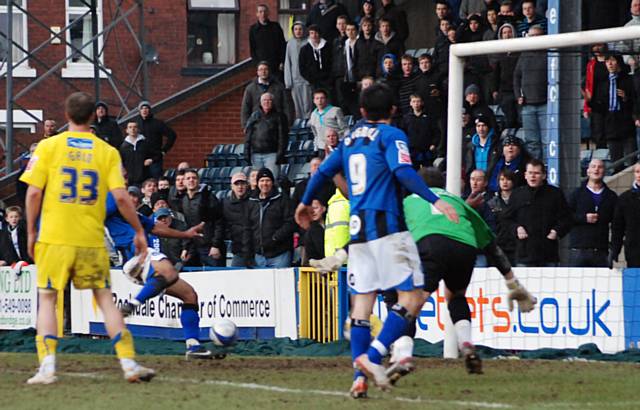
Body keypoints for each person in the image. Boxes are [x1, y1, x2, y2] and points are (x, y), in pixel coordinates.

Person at [294, 83, 459, 397]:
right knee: (412, 298)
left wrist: (304, 202)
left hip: (358, 234)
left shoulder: (349, 138)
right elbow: (404, 172)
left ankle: (358, 378)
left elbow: (323, 172)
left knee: (362, 305)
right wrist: (434, 201)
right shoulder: (392, 135)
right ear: (394, 111)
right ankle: (371, 358)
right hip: (388, 227)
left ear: (363, 112)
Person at [20, 91, 153, 384]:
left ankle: (47, 367)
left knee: (47, 299)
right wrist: (140, 231)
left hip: (54, 237)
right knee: (105, 300)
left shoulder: (48, 146)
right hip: (91, 240)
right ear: (93, 116)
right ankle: (129, 362)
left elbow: (33, 192)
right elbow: (120, 197)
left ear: (66, 116)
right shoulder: (107, 152)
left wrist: (30, 231)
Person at [388, 167, 535, 380]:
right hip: (465, 248)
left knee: (410, 302)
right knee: (455, 295)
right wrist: (512, 281)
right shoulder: (456, 202)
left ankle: (402, 354)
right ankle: (466, 344)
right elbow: (491, 246)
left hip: (431, 244)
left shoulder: (410, 200)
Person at [105, 192, 210, 359]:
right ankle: (133, 304)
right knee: (169, 271)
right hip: (136, 255)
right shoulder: (109, 199)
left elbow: (154, 227)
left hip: (141, 260)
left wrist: (186, 234)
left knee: (189, 295)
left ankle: (193, 345)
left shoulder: (132, 212)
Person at [504, 159, 573, 267]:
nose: (533, 176)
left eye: (536, 173)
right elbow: (507, 219)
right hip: (524, 254)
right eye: (530, 173)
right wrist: (516, 228)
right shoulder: (517, 194)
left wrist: (556, 231)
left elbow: (567, 218)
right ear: (525, 175)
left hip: (548, 253)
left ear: (544, 175)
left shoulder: (555, 194)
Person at [587, 52, 637, 166]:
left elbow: (635, 101)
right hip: (611, 126)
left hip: (626, 124)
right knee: (616, 162)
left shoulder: (628, 80)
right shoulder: (603, 83)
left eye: (612, 60)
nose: (609, 63)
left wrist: (625, 98)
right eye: (607, 61)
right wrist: (589, 101)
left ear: (618, 62)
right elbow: (600, 108)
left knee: (631, 161)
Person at [568, 159, 618, 267]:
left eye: (600, 167)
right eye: (593, 166)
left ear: (604, 171)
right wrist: (583, 218)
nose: (596, 169)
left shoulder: (611, 196)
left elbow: (617, 223)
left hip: (601, 251)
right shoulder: (576, 194)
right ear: (588, 171)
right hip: (578, 251)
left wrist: (614, 248)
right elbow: (565, 217)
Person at [248, 168, 295, 268]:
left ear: (272, 182)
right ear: (257, 183)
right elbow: (248, 226)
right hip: (259, 256)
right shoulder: (252, 201)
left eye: (268, 180)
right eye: (262, 180)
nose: (265, 183)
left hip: (280, 254)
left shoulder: (282, 199)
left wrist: (275, 237)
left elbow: (290, 222)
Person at [513, 25, 548, 161]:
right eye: (531, 36)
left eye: (536, 36)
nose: (533, 39)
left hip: (546, 104)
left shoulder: (549, 54)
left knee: (547, 141)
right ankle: (535, 168)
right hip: (528, 106)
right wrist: (518, 95)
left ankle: (547, 169)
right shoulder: (524, 55)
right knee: (532, 142)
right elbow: (516, 76)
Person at [179, 169, 224, 267]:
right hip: (193, 246)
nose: (191, 180)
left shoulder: (208, 197)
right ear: (184, 182)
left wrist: (215, 245)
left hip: (209, 247)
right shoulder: (184, 200)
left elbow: (218, 222)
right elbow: (186, 225)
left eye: (194, 178)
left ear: (198, 181)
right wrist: (185, 247)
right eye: (188, 178)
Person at [244, 93, 288, 179]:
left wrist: (280, 154)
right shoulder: (254, 116)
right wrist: (247, 152)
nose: (267, 102)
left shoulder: (279, 116)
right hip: (255, 155)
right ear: (260, 102)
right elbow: (248, 135)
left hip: (272, 154)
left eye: (269, 100)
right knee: (257, 181)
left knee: (272, 180)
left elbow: (283, 137)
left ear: (273, 102)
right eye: (264, 100)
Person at [218, 172, 254, 268]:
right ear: (232, 186)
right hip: (238, 249)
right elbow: (222, 224)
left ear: (247, 185)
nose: (240, 187)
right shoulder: (225, 203)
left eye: (242, 184)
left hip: (256, 250)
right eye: (236, 184)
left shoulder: (254, 201)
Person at [241, 62, 291, 128]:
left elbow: (286, 105)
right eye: (261, 70)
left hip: (276, 124)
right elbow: (245, 108)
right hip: (257, 125)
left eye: (265, 69)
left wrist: (287, 123)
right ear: (257, 72)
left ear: (269, 71)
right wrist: (245, 125)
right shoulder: (250, 88)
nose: (263, 72)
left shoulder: (279, 87)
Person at [610, 162, 640, 268]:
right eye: (637, 172)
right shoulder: (624, 198)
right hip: (634, 252)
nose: (639, 175)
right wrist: (615, 250)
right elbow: (618, 227)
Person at [490, 23, 520, 129]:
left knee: (520, 119)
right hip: (505, 91)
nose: (507, 35)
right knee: (509, 119)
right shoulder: (498, 53)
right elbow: (495, 73)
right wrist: (494, 89)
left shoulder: (520, 51)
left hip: (519, 90)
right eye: (504, 33)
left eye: (509, 32)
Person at [136, 101, 177, 178]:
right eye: (142, 108)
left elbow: (172, 135)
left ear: (149, 110)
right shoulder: (136, 124)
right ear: (139, 111)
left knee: (156, 181)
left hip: (155, 158)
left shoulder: (157, 123)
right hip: (140, 159)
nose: (144, 110)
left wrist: (164, 150)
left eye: (146, 108)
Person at [487, 168, 518, 263]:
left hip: (516, 246)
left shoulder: (519, 200)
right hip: (498, 245)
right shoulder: (492, 203)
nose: (505, 182)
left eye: (508, 179)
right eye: (502, 179)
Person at [401, 94, 439, 169]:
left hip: (427, 151)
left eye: (418, 101)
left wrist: (434, 144)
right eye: (414, 101)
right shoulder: (406, 118)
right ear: (410, 103)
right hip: (412, 152)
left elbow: (436, 132)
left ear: (422, 103)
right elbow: (403, 133)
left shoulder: (429, 117)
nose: (416, 104)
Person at [285, 21, 313, 120]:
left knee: (307, 104)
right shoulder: (290, 44)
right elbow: (287, 63)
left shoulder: (309, 42)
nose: (298, 31)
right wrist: (288, 81)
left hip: (306, 80)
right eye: (296, 29)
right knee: (297, 106)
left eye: (300, 29)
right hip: (295, 79)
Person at [308, 88, 349, 155]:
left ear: (326, 99)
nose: (320, 101)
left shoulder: (336, 110)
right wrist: (316, 147)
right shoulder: (313, 114)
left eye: (322, 98)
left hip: (336, 146)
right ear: (314, 101)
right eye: (317, 98)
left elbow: (345, 129)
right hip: (322, 147)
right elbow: (315, 133)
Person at [249, 4, 286, 78]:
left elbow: (282, 45)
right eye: (260, 12)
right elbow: (252, 49)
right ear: (257, 14)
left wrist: (282, 61)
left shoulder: (276, 27)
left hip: (276, 65)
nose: (263, 14)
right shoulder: (253, 29)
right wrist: (257, 64)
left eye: (265, 11)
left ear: (268, 13)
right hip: (261, 65)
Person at [299, 25, 334, 94]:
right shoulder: (304, 49)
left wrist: (330, 78)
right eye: (311, 33)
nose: (314, 35)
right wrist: (310, 79)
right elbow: (302, 66)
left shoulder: (328, 47)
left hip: (327, 81)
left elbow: (332, 62)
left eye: (316, 33)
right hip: (313, 82)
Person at [120, 121, 153, 187]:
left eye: (135, 127)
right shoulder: (123, 146)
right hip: (129, 180)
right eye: (130, 127)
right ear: (127, 130)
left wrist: (151, 160)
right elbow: (120, 161)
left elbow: (156, 155)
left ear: (138, 129)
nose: (133, 129)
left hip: (144, 178)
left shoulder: (145, 143)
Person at [302, 199, 326, 265]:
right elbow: (322, 251)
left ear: (323, 208)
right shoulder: (313, 229)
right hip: (319, 269)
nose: (313, 211)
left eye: (315, 208)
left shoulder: (327, 224)